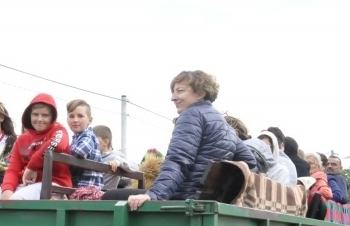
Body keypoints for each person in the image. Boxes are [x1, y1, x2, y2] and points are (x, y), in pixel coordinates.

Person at [104, 70, 256, 210]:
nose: (173, 97)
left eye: (180, 91)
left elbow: (178, 161)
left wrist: (155, 194)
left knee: (109, 196)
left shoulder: (192, 114)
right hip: (207, 200)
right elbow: (249, 160)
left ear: (200, 93)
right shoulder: (225, 126)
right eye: (173, 92)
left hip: (184, 198)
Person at [0, 93, 72, 200]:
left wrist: (31, 167)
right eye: (35, 114)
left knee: (16, 200)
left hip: (54, 186)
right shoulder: (22, 139)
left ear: (52, 117)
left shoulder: (59, 131)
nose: (39, 119)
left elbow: (57, 144)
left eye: (45, 115)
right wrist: (7, 190)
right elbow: (13, 169)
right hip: (25, 185)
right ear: (29, 115)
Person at [66, 100, 105, 189]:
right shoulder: (76, 138)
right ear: (67, 119)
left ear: (89, 120)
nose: (75, 120)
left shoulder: (88, 135)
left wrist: (61, 152)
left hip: (89, 188)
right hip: (78, 186)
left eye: (80, 116)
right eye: (71, 116)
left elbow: (80, 152)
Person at [93, 125, 138, 190]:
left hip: (105, 193)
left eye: (94, 140)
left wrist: (118, 162)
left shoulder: (113, 157)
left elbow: (135, 167)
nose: (91, 142)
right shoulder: (93, 157)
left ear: (105, 142)